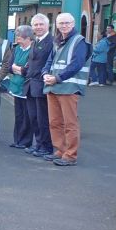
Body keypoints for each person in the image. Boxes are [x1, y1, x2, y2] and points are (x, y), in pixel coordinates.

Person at [42, 12, 89, 166]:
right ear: (56, 25)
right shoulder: (57, 41)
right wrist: (45, 74)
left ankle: (70, 155)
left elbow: (76, 64)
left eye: (67, 23)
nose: (64, 26)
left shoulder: (79, 41)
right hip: (53, 87)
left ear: (73, 24)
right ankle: (60, 150)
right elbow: (49, 61)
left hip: (69, 88)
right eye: (61, 23)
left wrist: (57, 78)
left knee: (70, 123)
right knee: (55, 122)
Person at [22, 14, 54, 158]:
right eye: (35, 25)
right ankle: (38, 144)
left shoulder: (51, 42)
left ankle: (46, 146)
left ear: (48, 25)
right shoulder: (35, 41)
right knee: (33, 117)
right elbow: (32, 62)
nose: (38, 27)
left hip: (41, 86)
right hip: (30, 85)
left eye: (41, 24)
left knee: (43, 118)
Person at [0, 25, 34, 148]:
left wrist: (18, 69)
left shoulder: (32, 50)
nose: (18, 39)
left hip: (26, 88)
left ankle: (25, 141)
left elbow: (28, 70)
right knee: (18, 115)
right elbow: (9, 66)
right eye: (17, 36)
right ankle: (17, 139)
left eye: (20, 37)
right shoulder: (16, 49)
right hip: (16, 87)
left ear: (28, 38)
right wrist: (19, 69)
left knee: (27, 116)